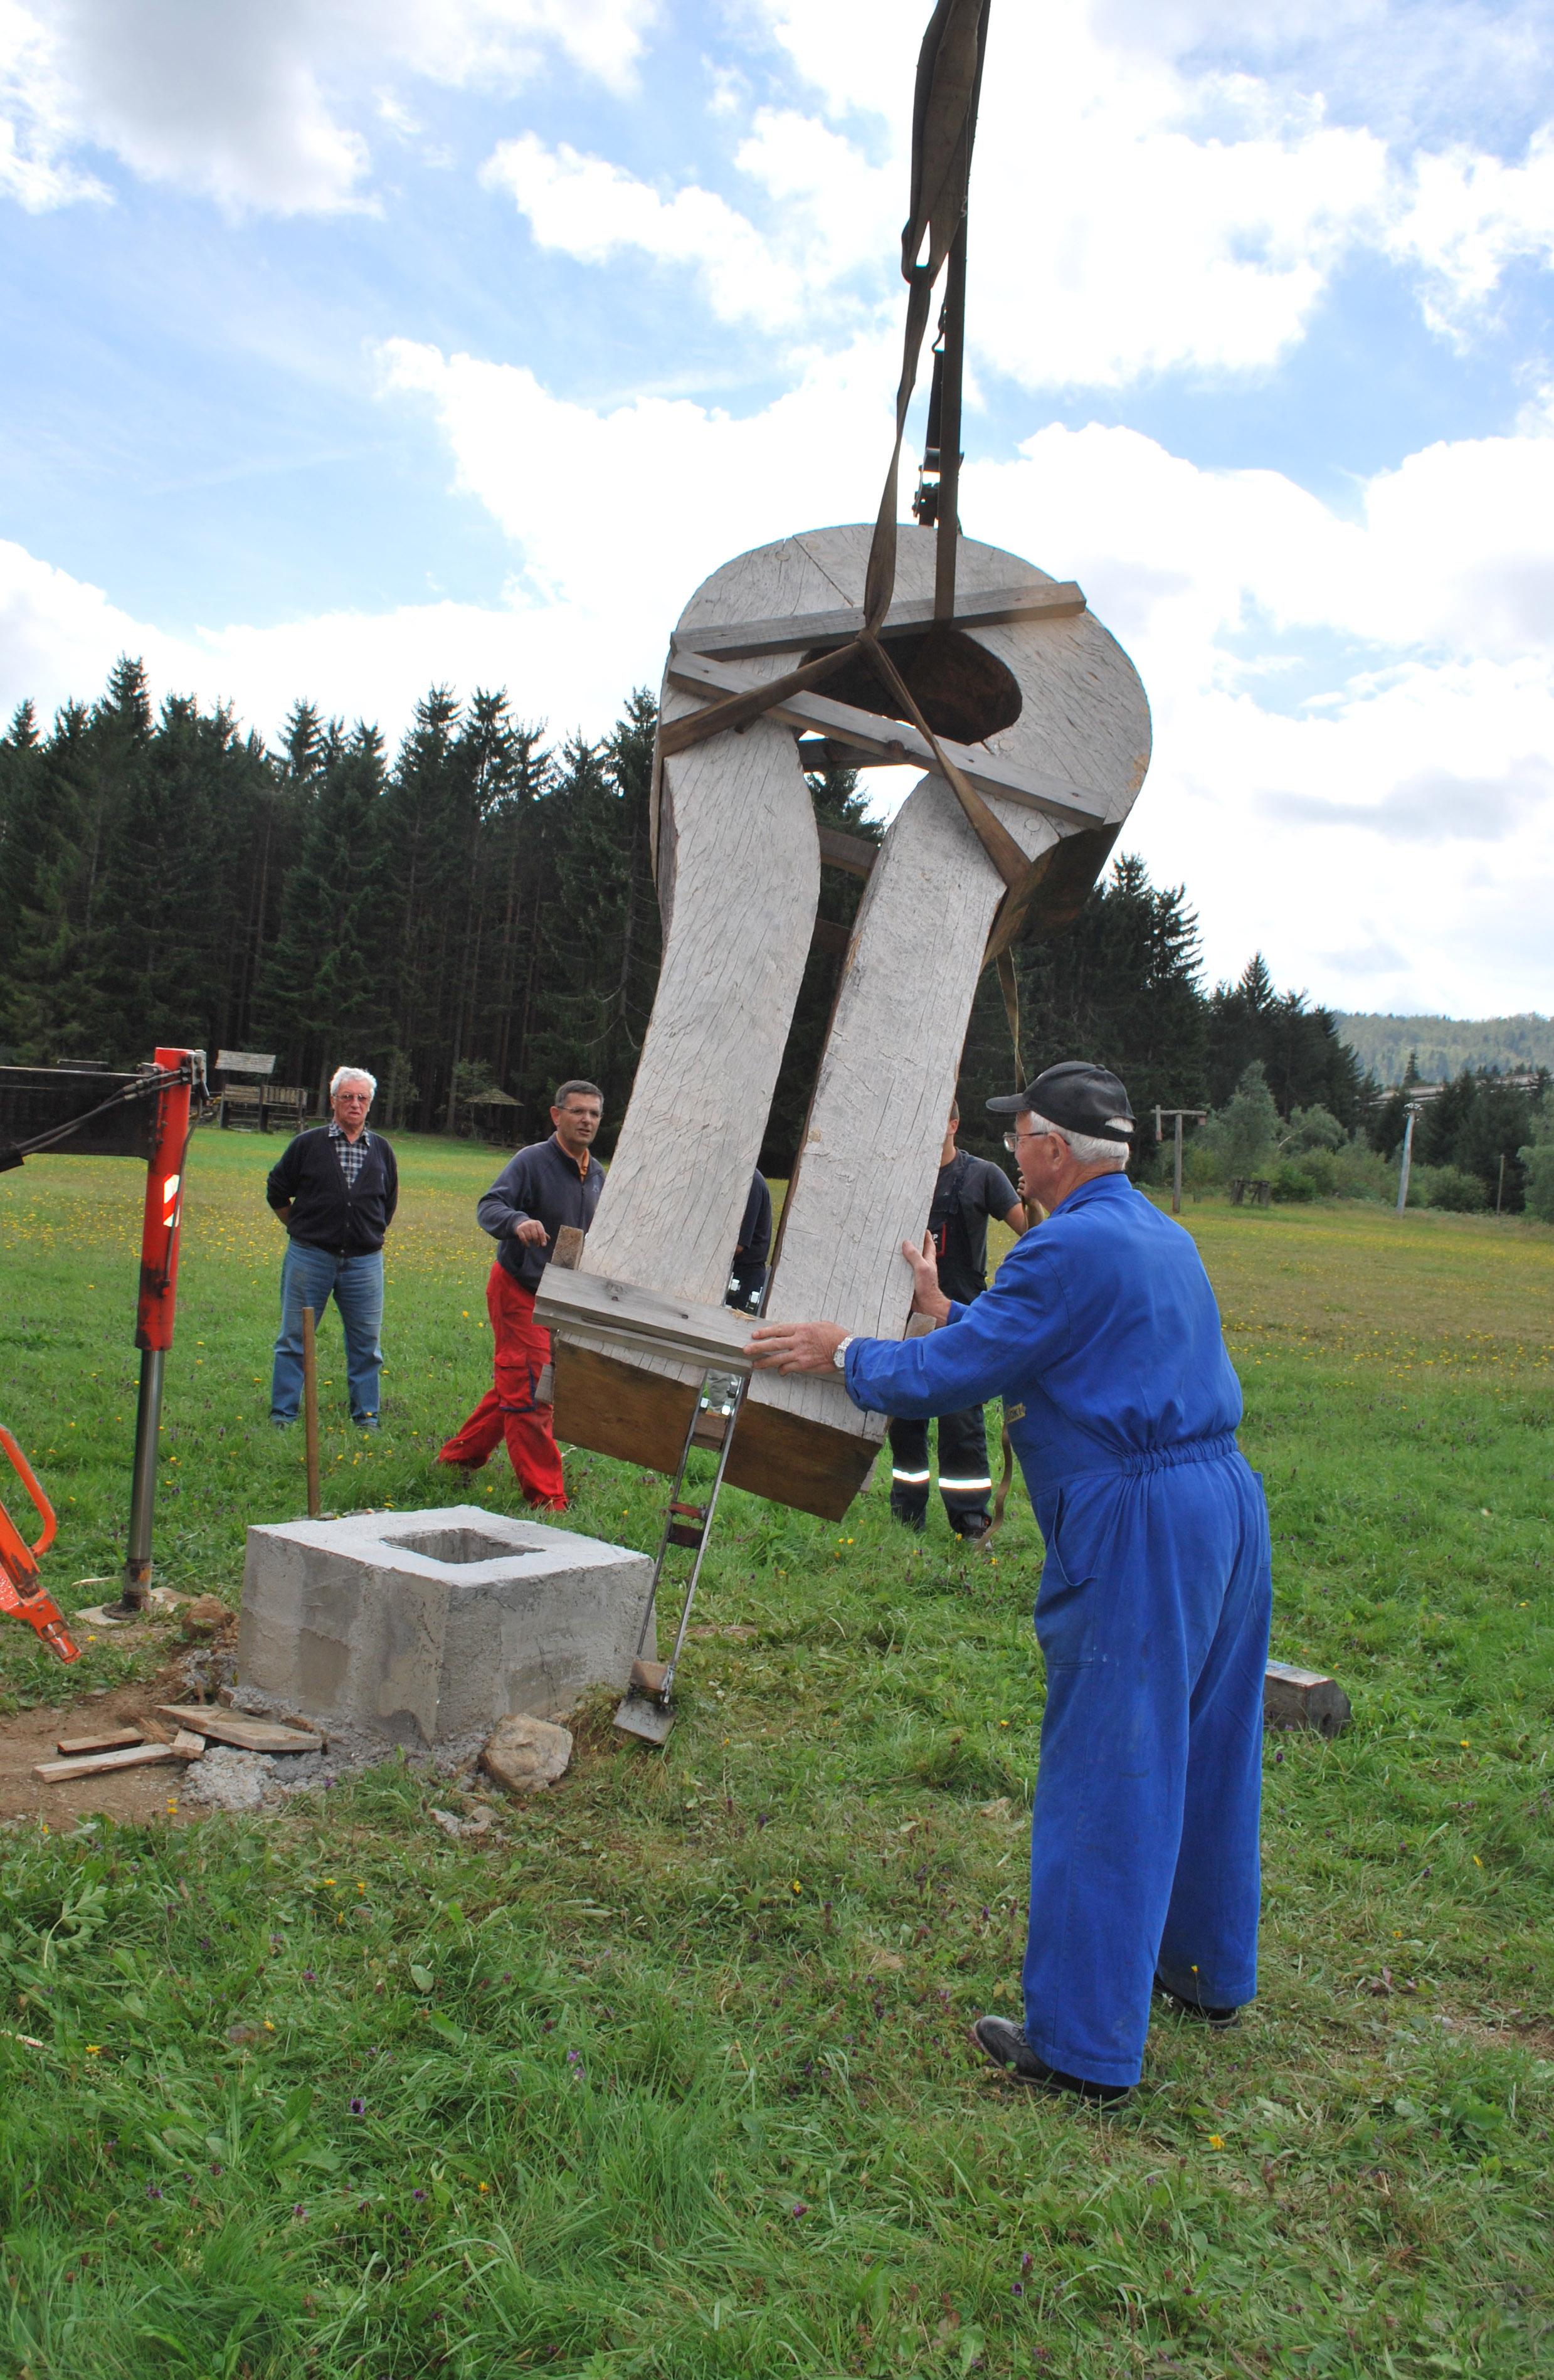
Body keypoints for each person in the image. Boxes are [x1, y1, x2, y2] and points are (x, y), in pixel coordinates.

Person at [750, 1060, 1272, 2104]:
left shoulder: (1065, 1246)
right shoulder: (1155, 1233)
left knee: (1108, 1769)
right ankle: (1205, 1972)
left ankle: (1082, 2047)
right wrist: (946, 1307)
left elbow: (949, 1377)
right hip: (1224, 1505)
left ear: (1050, 1149)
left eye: (1019, 1133)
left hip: (1138, 1522)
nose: (1009, 1151)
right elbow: (1037, 1348)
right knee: (1209, 1745)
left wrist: (843, 1350)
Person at [437, 1079, 606, 1508]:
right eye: (578, 1111)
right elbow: (489, 1205)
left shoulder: (598, 1175)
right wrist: (516, 1221)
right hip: (520, 1289)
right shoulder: (531, 1161)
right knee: (530, 1391)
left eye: (594, 1113)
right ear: (557, 1115)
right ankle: (548, 1499)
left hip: (563, 1299)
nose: (586, 1120)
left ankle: (456, 1460)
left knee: (516, 1384)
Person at [888, 1099, 1025, 1538]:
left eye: (937, 1123)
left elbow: (1034, 1228)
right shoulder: (905, 1178)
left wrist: (1039, 1199)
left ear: (954, 1123)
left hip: (962, 1317)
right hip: (907, 1319)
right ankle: (906, 1514)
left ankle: (969, 1518)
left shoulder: (984, 1176)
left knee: (962, 1420)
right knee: (906, 1418)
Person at [267, 1066, 398, 1429]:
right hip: (310, 1258)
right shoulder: (307, 1145)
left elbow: (387, 1205)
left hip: (364, 1264)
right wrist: (299, 1227)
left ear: (369, 1105)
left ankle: (366, 1417)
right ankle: (283, 1415)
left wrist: (363, 1235)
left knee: (366, 1345)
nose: (354, 1104)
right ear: (333, 1101)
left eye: (362, 1098)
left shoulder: (382, 1150)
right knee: (294, 1338)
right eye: (347, 1097)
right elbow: (277, 1189)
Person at [728, 1170, 773, 1312]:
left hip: (744, 1282)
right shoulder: (747, 1179)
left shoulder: (752, 1183)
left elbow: (739, 1245)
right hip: (738, 1275)